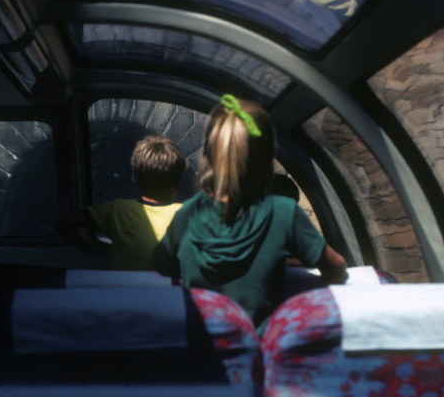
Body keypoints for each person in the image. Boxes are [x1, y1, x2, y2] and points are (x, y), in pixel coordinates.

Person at [153, 95, 347, 329]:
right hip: (258, 352)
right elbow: (336, 269)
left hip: (202, 352)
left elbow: (158, 270)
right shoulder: (284, 212)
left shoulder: (188, 214)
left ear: (211, 156)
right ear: (266, 158)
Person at [55, 135, 187, 270]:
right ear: (177, 184)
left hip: (123, 290)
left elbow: (63, 224)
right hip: (170, 291)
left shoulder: (116, 210)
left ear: (136, 178)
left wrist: (91, 249)